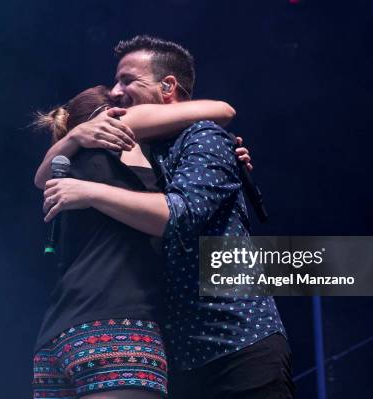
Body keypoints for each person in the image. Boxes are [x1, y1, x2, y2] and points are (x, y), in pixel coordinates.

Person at [42, 35, 295, 399]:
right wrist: (76, 137)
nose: (115, 92)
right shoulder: (146, 151)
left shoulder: (204, 137)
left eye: (127, 80)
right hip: (179, 356)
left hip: (235, 343)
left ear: (168, 86)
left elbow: (180, 216)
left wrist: (90, 192)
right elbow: (44, 176)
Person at [32, 84, 242, 399]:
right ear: (110, 118)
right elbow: (222, 110)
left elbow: (38, 178)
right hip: (117, 331)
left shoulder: (74, 166)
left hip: (56, 339)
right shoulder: (113, 141)